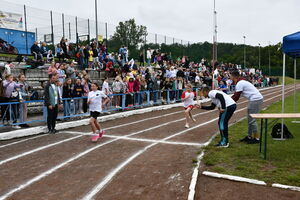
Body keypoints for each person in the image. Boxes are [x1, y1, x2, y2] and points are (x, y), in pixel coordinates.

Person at [231, 70, 263, 144]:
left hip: (255, 100)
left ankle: (257, 138)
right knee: (250, 119)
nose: (230, 78)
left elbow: (236, 96)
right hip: (255, 99)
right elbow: (236, 95)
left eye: (231, 76)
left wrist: (229, 103)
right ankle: (249, 136)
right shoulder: (241, 82)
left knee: (252, 120)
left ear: (233, 76)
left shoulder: (240, 83)